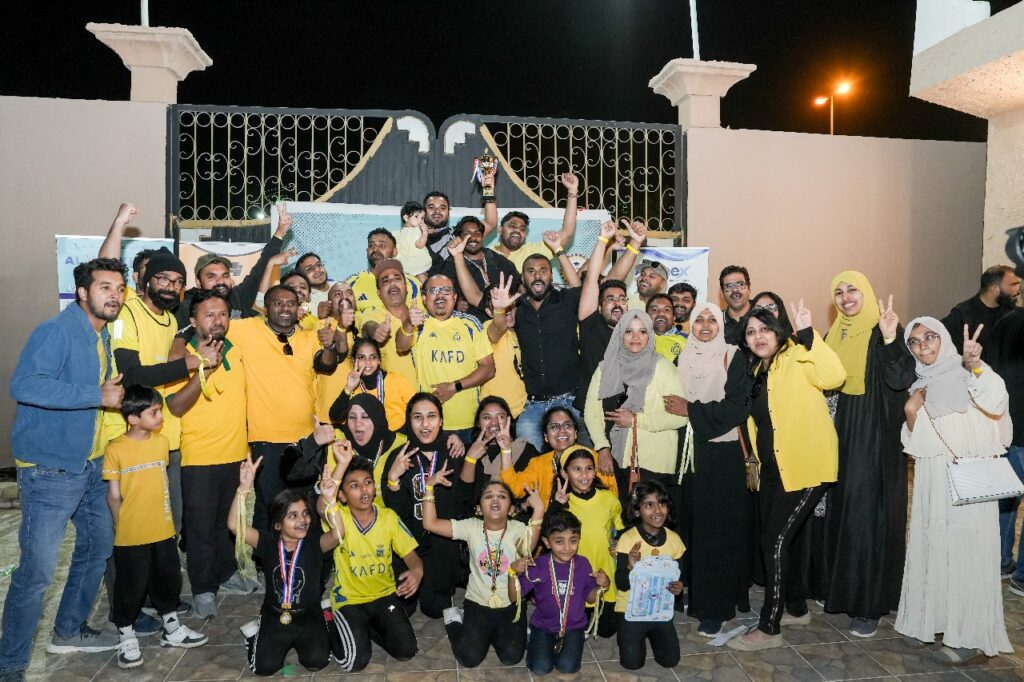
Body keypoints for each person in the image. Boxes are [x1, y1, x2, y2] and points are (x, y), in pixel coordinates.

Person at [1, 258, 126, 676]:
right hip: (50, 470)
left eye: (120, 288)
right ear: (83, 293)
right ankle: (10, 664)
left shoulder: (100, 333)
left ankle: (68, 631)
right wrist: (95, 395)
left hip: (90, 464)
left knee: (97, 549)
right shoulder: (56, 331)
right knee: (36, 574)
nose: (115, 295)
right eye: (105, 287)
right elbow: (25, 385)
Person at [727, 302, 847, 652]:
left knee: (774, 541)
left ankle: (770, 627)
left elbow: (834, 377)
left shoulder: (797, 355)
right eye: (751, 332)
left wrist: (810, 336)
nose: (758, 337)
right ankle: (796, 607)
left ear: (778, 331)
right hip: (774, 470)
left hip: (808, 466)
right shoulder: (757, 371)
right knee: (781, 540)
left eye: (765, 329)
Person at [896, 319, 1013, 664]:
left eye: (930, 337)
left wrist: (975, 364)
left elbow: (996, 401)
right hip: (933, 479)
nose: (922, 346)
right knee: (935, 547)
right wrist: (911, 412)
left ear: (944, 340)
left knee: (967, 552)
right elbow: (917, 440)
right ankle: (932, 622)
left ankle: (970, 638)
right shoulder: (920, 384)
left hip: (968, 478)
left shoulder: (969, 374)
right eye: (914, 341)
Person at [821, 272, 916, 638]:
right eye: (839, 292)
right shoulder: (835, 334)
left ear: (867, 293)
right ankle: (843, 592)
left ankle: (868, 605)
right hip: (841, 434)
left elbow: (901, 378)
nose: (846, 297)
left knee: (867, 517)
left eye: (853, 290)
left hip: (874, 437)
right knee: (843, 513)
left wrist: (891, 338)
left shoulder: (884, 330)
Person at [105, 249, 215, 533]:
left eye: (178, 282)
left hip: (168, 437)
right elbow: (131, 376)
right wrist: (189, 363)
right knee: (131, 525)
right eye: (163, 279)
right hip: (133, 437)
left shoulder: (171, 321)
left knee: (170, 523)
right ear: (147, 280)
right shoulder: (126, 314)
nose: (171, 287)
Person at [663, 302, 753, 637]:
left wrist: (691, 409)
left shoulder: (733, 356)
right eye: (698, 319)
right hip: (687, 454)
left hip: (721, 455)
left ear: (721, 325)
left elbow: (738, 407)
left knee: (717, 531)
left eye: (711, 320)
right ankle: (685, 593)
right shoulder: (682, 357)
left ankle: (715, 607)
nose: (704, 325)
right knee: (689, 526)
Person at [104, 386, 209, 669]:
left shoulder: (162, 443)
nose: (161, 417)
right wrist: (121, 525)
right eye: (153, 412)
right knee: (132, 584)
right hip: (131, 535)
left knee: (168, 579)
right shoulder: (115, 449)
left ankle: (171, 627)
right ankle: (126, 634)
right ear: (133, 418)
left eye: (159, 410)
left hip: (162, 529)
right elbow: (114, 495)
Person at [165, 290, 253, 618]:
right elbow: (175, 405)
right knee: (200, 527)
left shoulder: (236, 349)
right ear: (193, 321)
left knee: (227, 523)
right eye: (209, 315)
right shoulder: (182, 355)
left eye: (223, 314)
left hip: (235, 453)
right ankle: (203, 588)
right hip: (199, 457)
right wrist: (205, 368)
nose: (218, 321)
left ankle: (226, 572)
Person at [229, 284, 341, 533]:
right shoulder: (247, 330)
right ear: (266, 307)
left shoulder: (309, 337)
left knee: (304, 506)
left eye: (291, 303)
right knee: (270, 507)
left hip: (306, 441)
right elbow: (210, 325)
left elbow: (326, 366)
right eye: (278, 303)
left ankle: (302, 554)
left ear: (298, 307)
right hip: (265, 439)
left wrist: (329, 346)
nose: (285, 308)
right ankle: (267, 556)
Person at [228, 455, 340, 676]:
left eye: (305, 514)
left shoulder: (314, 543)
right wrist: (244, 487)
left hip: (309, 614)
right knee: (263, 668)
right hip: (275, 615)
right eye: (293, 516)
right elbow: (234, 526)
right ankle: (255, 635)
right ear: (278, 524)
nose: (302, 520)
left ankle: (325, 618)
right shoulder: (268, 542)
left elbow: (337, 535)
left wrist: (330, 501)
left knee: (317, 661)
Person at [422, 474, 543, 668]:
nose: (495, 499)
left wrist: (538, 511)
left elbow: (527, 550)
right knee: (469, 658)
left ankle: (498, 633)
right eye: (488, 496)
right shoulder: (471, 526)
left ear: (512, 509)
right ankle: (455, 619)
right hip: (477, 603)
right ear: (478, 509)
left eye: (502, 496)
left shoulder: (517, 528)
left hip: (510, 603)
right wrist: (429, 488)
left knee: (511, 657)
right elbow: (430, 524)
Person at [321, 446, 422, 673]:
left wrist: (417, 571)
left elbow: (412, 556)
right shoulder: (339, 517)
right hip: (350, 599)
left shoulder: (388, 517)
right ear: (342, 495)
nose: (363, 489)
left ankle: (364, 629)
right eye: (354, 486)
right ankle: (329, 620)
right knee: (355, 662)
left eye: (367, 482)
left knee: (406, 650)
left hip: (384, 595)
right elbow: (322, 507)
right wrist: (340, 468)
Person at [381, 394, 473, 618]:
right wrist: (393, 479)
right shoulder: (400, 456)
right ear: (409, 420)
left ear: (441, 420)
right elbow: (397, 514)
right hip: (410, 545)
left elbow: (465, 500)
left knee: (434, 609)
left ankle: (448, 579)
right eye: (417, 417)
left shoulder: (454, 451)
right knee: (402, 608)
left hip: (444, 546)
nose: (425, 424)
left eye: (431, 416)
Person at [585, 311, 687, 505]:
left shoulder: (664, 369)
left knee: (652, 518)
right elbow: (592, 412)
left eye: (642, 331)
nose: (635, 337)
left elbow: (680, 417)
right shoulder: (605, 369)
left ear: (650, 335)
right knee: (622, 517)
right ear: (620, 334)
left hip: (654, 462)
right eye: (629, 331)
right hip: (615, 460)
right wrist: (602, 447)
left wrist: (636, 420)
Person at [169, 204, 294, 348]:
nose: (220, 281)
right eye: (211, 276)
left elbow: (260, 269)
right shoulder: (187, 307)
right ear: (198, 282)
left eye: (225, 275)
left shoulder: (238, 296)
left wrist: (280, 233)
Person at [510, 509, 608, 676]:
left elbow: (591, 598)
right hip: (543, 626)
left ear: (579, 539)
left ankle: (558, 646)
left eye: (573, 540)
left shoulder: (583, 564)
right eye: (559, 541)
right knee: (540, 668)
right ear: (547, 542)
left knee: (568, 667)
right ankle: (535, 640)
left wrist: (603, 586)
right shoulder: (537, 565)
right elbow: (514, 598)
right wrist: (512, 573)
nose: (567, 547)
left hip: (574, 627)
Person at [402, 274, 495, 441]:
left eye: (446, 290)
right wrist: (408, 323)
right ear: (424, 298)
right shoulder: (417, 325)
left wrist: (454, 387)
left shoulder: (471, 324)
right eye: (433, 290)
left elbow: (488, 368)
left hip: (469, 422)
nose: (440, 295)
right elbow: (401, 346)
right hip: (430, 424)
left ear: (455, 296)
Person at [547, 447, 623, 638]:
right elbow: (547, 532)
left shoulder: (608, 498)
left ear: (595, 471)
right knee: (573, 627)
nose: (584, 475)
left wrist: (618, 542)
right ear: (565, 473)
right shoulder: (563, 502)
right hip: (574, 572)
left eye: (589, 469)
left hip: (603, 569)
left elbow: (621, 528)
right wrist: (556, 505)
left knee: (607, 631)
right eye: (577, 469)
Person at [614, 481, 686, 671]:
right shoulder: (628, 539)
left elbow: (679, 577)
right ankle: (629, 634)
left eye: (662, 503)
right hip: (630, 609)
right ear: (637, 511)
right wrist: (630, 566)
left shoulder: (674, 540)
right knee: (632, 663)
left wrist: (678, 586)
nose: (657, 510)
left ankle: (654, 634)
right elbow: (621, 584)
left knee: (670, 660)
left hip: (659, 610)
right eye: (649, 505)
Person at [501, 408, 617, 508]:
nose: (562, 430)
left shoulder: (596, 459)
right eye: (554, 427)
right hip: (552, 523)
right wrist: (506, 450)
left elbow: (613, 498)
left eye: (567, 425)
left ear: (575, 433)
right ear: (546, 437)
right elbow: (514, 489)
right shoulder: (539, 464)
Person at [991, 305, 1024, 588]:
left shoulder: (1004, 323)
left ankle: (1000, 562)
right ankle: (1022, 577)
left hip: (1004, 427)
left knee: (1005, 500)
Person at [489, 173, 581, 273]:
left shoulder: (532, 253)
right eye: (512, 226)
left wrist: (572, 191)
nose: (518, 230)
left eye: (522, 228)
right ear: (500, 230)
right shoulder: (487, 255)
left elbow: (567, 233)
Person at [436, 216, 519, 322]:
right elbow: (443, 298)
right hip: (470, 324)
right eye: (467, 234)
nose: (473, 238)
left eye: (477, 233)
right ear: (458, 238)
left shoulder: (497, 259)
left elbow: (518, 287)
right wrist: (455, 304)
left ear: (483, 237)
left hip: (503, 320)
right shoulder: (450, 265)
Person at [357, 259, 423, 389]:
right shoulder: (372, 316)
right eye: (385, 281)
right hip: (395, 397)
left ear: (406, 287)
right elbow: (368, 326)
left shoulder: (421, 313)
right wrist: (376, 331)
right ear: (378, 293)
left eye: (397, 278)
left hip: (429, 396)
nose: (392, 283)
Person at [330, 337, 415, 432]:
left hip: (399, 436)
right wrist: (349, 387)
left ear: (379, 360)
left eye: (373, 357)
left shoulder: (396, 381)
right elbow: (335, 416)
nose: (368, 362)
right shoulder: (353, 388)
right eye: (361, 357)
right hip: (369, 438)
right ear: (354, 361)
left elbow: (419, 408)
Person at [941, 264, 1021, 361]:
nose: (1019, 290)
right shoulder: (961, 316)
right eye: (1013, 284)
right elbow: (950, 358)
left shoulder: (1014, 314)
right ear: (995, 290)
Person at [478, 277, 527, 417]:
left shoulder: (517, 332)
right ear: (489, 312)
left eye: (510, 304)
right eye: (498, 306)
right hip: (496, 415)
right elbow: (498, 327)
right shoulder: (488, 328)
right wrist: (499, 309)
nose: (507, 310)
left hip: (523, 410)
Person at [347, 228, 423, 316]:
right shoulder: (352, 283)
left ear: (394, 251)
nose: (375, 249)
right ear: (367, 251)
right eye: (371, 245)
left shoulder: (413, 284)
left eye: (382, 245)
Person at [465, 397, 538, 483]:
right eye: (487, 417)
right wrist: (470, 460)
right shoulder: (466, 451)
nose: (494, 422)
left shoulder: (526, 449)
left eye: (500, 417)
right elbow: (463, 490)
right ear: (478, 423)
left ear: (508, 421)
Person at [395, 201, 433, 282]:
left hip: (405, 266)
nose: (420, 221)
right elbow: (420, 244)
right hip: (417, 263)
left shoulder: (399, 233)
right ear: (406, 218)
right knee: (423, 282)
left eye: (422, 218)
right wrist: (425, 233)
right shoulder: (415, 230)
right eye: (416, 216)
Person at [646, 293, 686, 363]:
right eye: (654, 310)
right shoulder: (635, 340)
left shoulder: (688, 342)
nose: (661, 313)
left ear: (674, 317)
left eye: (667, 310)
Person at [719, 265, 752, 345]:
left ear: (749, 288)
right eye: (728, 286)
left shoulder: (764, 317)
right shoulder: (716, 322)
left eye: (740, 284)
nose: (734, 290)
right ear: (722, 292)